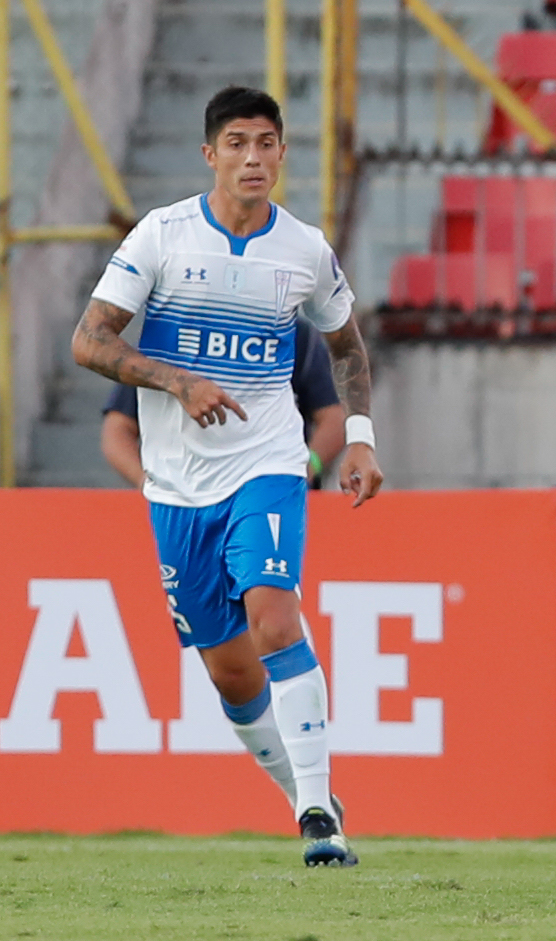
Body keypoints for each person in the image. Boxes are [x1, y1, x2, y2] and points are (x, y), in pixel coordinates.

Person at [70, 85, 385, 868]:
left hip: (267, 462)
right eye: (238, 143)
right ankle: (303, 795)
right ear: (210, 154)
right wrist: (177, 382)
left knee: (276, 618)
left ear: (283, 153)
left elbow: (345, 346)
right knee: (230, 668)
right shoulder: (161, 236)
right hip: (177, 485)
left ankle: (320, 813)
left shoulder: (305, 249)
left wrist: (362, 440)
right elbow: (88, 340)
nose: (254, 157)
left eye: (268, 143)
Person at [103, 320, 344, 490]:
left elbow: (333, 419)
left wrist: (307, 467)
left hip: (272, 497)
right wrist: (146, 482)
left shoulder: (295, 336)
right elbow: (118, 429)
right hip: (184, 498)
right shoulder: (165, 336)